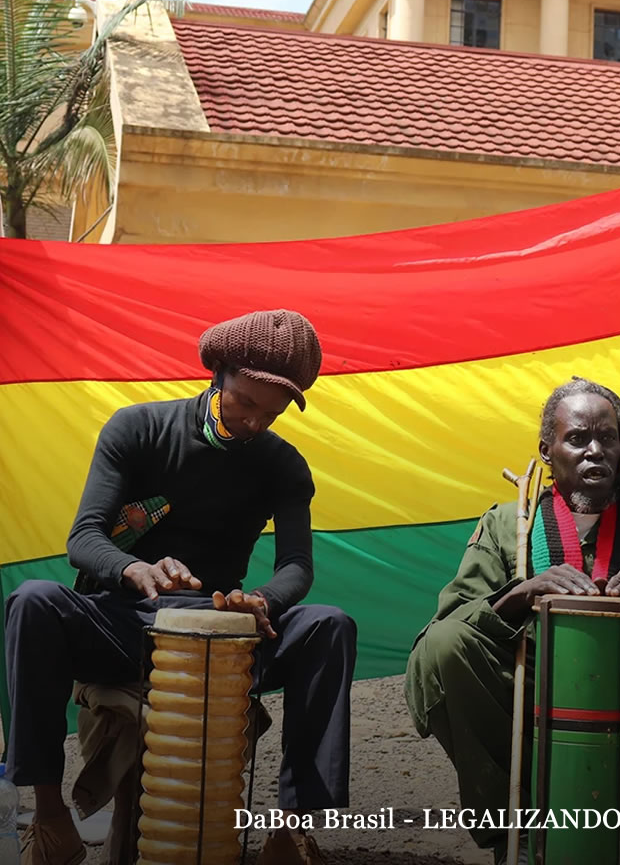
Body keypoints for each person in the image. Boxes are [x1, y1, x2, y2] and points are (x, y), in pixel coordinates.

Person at [4, 309, 356, 865]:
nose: (255, 423)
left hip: (223, 632)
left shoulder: (283, 465)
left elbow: (296, 566)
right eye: (246, 402)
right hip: (122, 621)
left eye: (274, 412)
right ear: (219, 372)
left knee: (328, 625)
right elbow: (84, 537)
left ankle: (293, 831)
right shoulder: (137, 429)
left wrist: (261, 602)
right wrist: (132, 569)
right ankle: (49, 817)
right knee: (32, 601)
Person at [405, 378, 620, 865]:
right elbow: (455, 616)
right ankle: (518, 835)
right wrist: (519, 594)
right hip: (527, 683)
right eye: (577, 439)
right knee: (444, 646)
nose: (595, 451)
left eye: (607, 438)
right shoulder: (512, 524)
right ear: (547, 451)